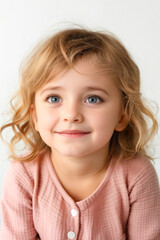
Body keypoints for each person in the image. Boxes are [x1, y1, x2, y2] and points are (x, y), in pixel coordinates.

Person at [0, 28, 160, 240]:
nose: (71, 115)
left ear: (122, 116)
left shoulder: (137, 175)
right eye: (54, 99)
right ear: (35, 116)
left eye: (92, 99)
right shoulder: (24, 175)